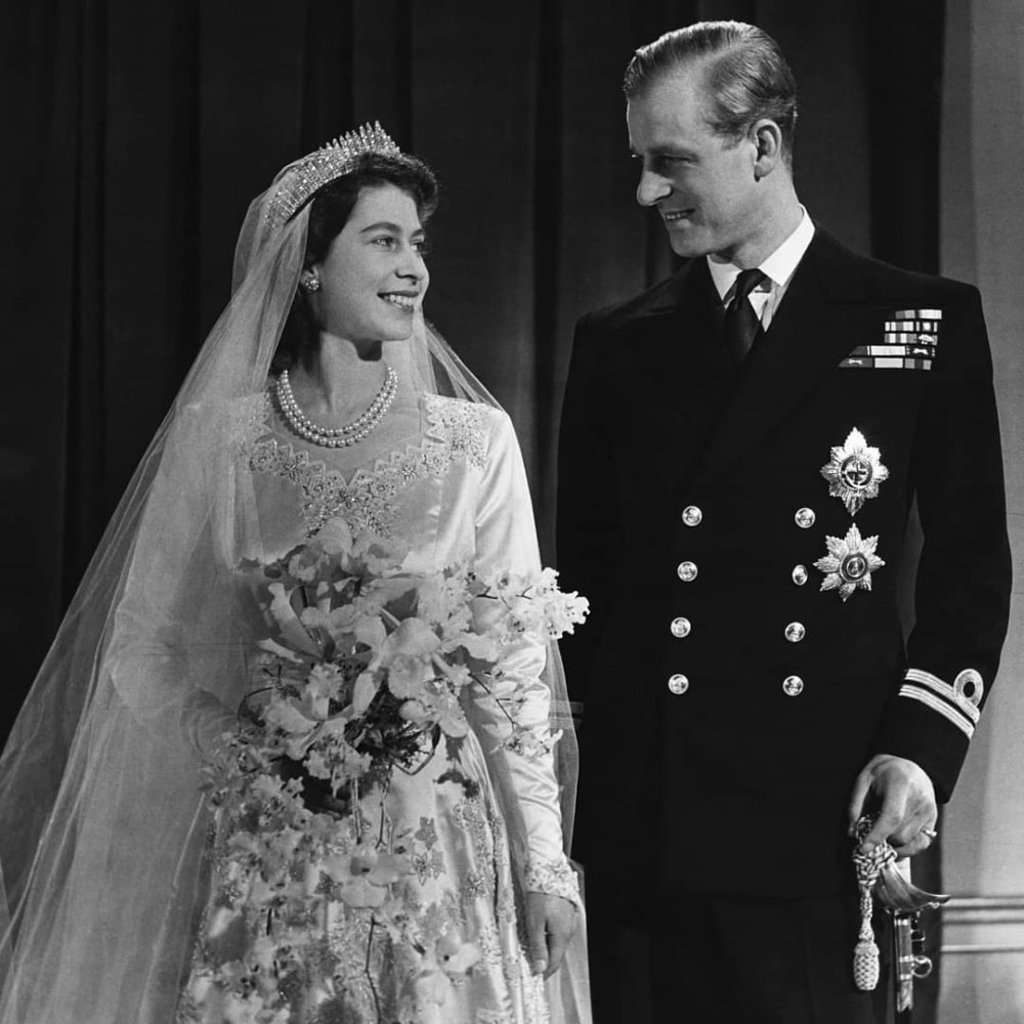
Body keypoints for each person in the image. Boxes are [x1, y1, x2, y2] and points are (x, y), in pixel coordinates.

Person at [0, 125, 589, 1024]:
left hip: (434, 840)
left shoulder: (474, 442)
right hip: (276, 843)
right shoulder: (219, 440)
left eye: (418, 246)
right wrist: (240, 748)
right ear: (309, 266)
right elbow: (139, 646)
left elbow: (514, 673)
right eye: (383, 241)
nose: (414, 268)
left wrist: (544, 863)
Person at [556, 21, 1011, 1024]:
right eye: (639, 163)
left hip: (816, 816)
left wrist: (917, 751)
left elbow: (971, 571)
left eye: (671, 161)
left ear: (761, 147)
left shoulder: (913, 321)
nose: (646, 192)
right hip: (649, 833)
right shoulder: (616, 347)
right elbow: (582, 599)